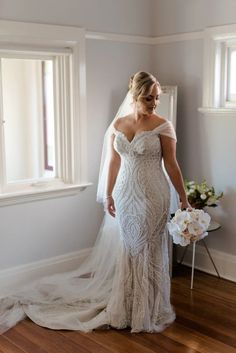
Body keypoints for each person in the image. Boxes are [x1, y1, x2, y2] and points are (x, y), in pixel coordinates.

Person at [0, 71, 190, 334]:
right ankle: (126, 306)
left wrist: (183, 197)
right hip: (126, 194)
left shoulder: (163, 125)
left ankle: (150, 308)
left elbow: (172, 164)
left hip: (153, 194)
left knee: (147, 247)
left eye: (156, 98)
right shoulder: (118, 124)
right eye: (149, 98)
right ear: (135, 96)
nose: (154, 103)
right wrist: (110, 194)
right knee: (128, 248)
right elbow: (113, 162)